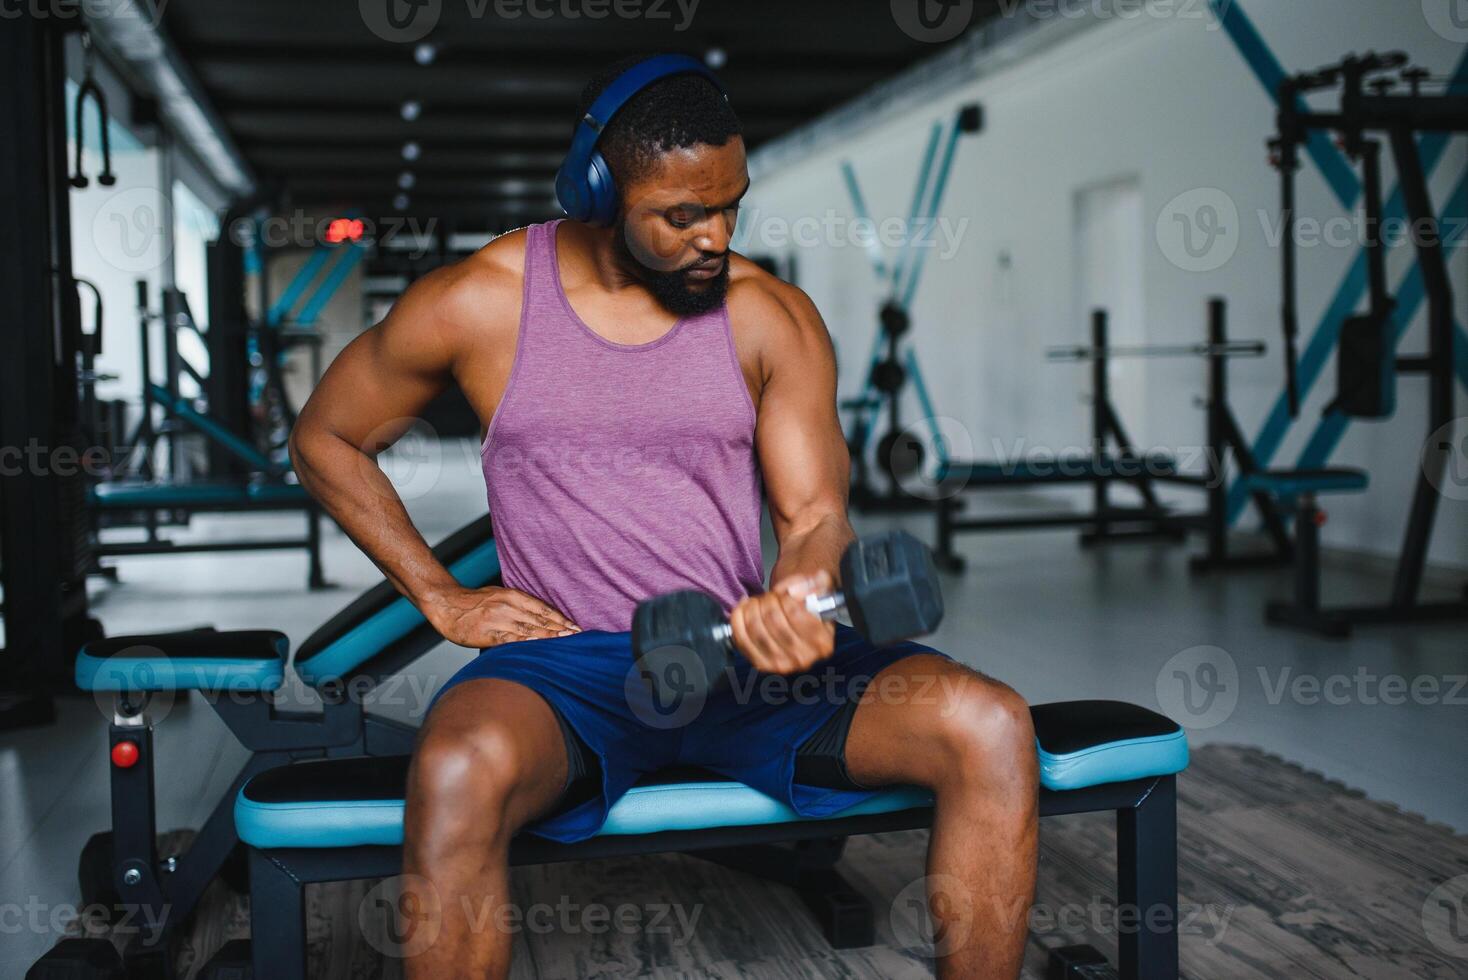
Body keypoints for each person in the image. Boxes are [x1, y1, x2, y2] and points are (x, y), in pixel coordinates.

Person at [289, 54, 1037, 979]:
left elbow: (815, 515)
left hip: (744, 662)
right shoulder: (479, 303)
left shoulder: (770, 315)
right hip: (567, 669)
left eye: (732, 205)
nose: (715, 236)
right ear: (598, 193)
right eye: (683, 215)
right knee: (453, 772)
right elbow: (326, 437)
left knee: (991, 725)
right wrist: (441, 597)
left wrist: (800, 591)